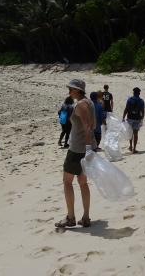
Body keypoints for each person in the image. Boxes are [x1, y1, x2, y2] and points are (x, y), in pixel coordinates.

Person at [55, 79, 96, 229]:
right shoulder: (89, 102)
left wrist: (87, 148)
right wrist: (90, 147)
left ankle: (71, 217)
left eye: (71, 89)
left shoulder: (80, 105)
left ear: (78, 90)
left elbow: (87, 127)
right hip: (86, 147)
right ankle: (85, 217)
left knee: (67, 181)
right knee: (83, 183)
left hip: (78, 149)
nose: (69, 91)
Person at [123, 87, 145, 153]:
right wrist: (142, 118)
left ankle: (130, 146)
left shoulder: (129, 100)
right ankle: (134, 148)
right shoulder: (141, 101)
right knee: (135, 134)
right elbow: (143, 111)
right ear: (139, 93)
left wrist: (123, 117)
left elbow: (126, 109)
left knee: (130, 133)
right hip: (137, 118)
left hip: (130, 118)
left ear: (133, 92)